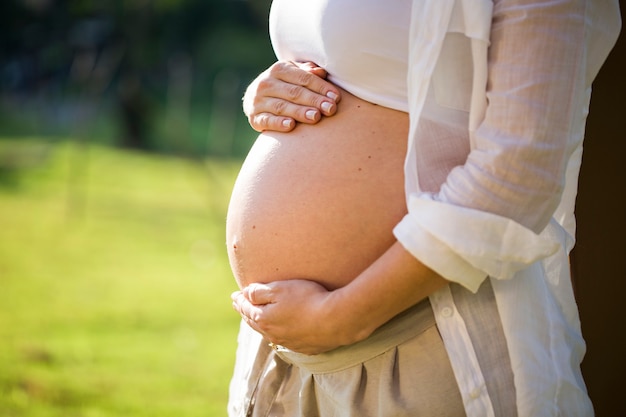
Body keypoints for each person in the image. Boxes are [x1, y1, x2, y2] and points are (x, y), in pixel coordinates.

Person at [227, 0, 621, 416]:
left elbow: (520, 171)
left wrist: (343, 316)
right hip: (286, 346)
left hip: (429, 333)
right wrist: (270, 91)